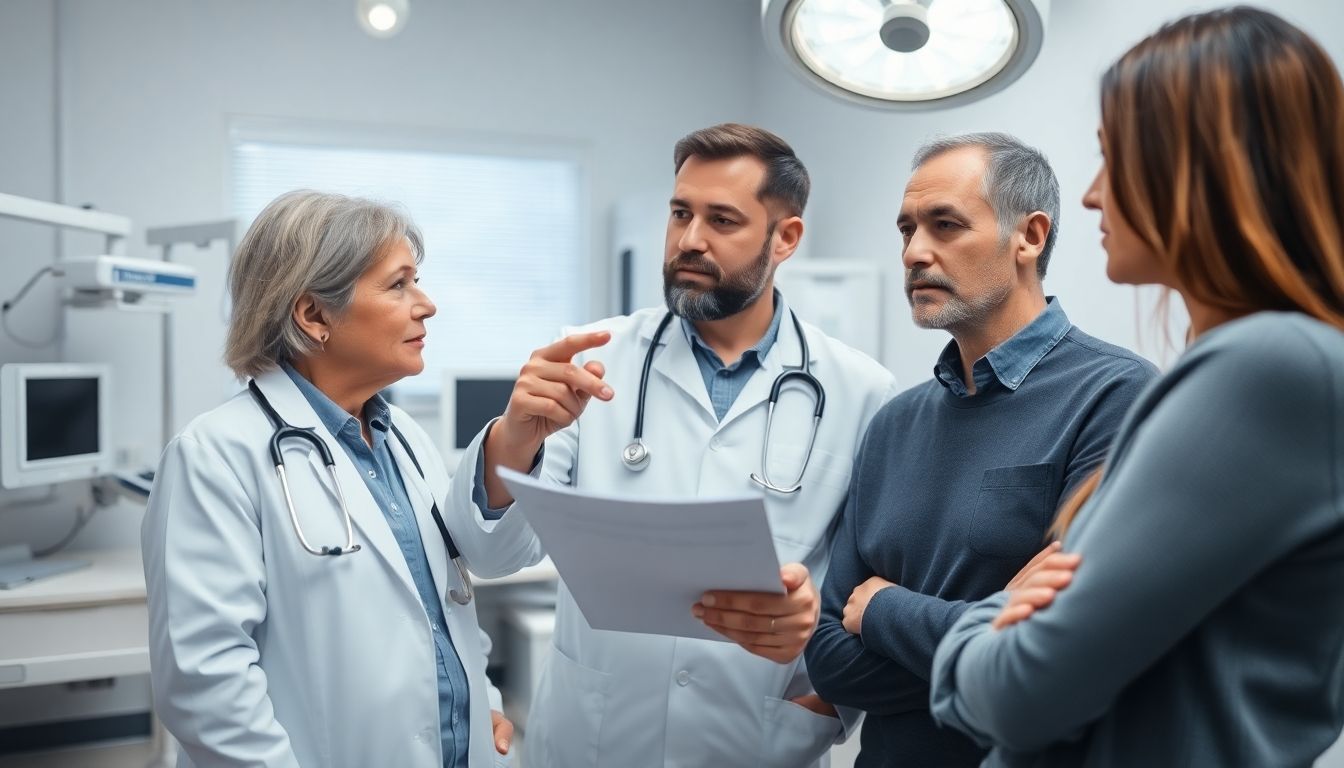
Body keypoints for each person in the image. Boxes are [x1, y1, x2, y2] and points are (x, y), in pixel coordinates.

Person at [928, 7, 1344, 766]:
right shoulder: (1257, 367)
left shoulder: (1267, 367)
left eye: (1112, 156)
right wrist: (1001, 623)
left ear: (1201, 166)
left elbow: (1022, 694)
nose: (1092, 195)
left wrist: (967, 633)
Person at [444, 123, 900, 766]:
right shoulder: (593, 357)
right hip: (595, 738)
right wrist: (513, 437)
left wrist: (825, 700)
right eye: (681, 213)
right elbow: (492, 553)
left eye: (722, 220)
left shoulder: (861, 391)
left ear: (786, 237)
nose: (689, 240)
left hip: (756, 742)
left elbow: (866, 592)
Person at [803, 132, 1159, 766]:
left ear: (1030, 237)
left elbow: (1061, 657)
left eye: (945, 225)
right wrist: (989, 636)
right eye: (907, 230)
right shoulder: (893, 423)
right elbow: (830, 663)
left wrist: (883, 610)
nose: (915, 252)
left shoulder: (1117, 396)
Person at [142, 190, 524, 767]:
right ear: (314, 315)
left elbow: (444, 601)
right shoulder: (214, 456)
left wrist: (478, 701)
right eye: (398, 285)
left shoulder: (404, 439)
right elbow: (206, 684)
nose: (426, 305)